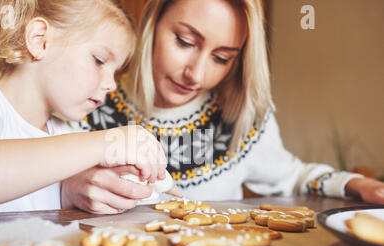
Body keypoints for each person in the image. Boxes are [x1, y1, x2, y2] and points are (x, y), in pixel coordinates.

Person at [62, 0, 384, 213]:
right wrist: (67, 190)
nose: (196, 74)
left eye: (221, 58)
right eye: (185, 42)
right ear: (153, 21)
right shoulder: (85, 97)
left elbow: (294, 176)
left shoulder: (242, 117)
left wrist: (357, 184)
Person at [0, 0, 167, 215]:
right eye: (99, 60)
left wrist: (67, 193)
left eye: (115, 72)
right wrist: (106, 142)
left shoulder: (68, 133)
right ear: (39, 40)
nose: (111, 85)